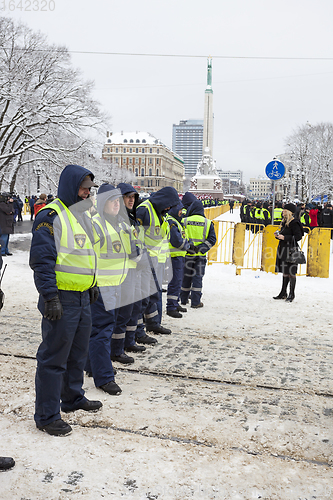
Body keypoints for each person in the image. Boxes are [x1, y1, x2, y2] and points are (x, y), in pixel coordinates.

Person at [29, 164, 102, 436]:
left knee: (77, 354)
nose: (87, 194)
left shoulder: (82, 215)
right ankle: (47, 415)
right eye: (84, 188)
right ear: (71, 187)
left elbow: (84, 254)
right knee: (53, 358)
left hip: (82, 298)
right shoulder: (51, 216)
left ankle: (72, 397)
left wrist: (92, 284)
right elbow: (42, 261)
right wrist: (49, 296)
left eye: (89, 190)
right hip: (61, 299)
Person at [136, 187, 180, 334]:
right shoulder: (145, 210)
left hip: (156, 262)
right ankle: (138, 331)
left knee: (153, 296)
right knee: (143, 298)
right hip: (143, 262)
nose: (168, 208)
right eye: (168, 204)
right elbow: (136, 237)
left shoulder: (162, 213)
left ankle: (153, 324)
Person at [180, 198, 216, 308]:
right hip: (200, 256)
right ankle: (195, 302)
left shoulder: (184, 221)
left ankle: (183, 300)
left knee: (186, 277)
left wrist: (188, 247)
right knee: (197, 278)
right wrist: (201, 248)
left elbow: (180, 237)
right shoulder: (208, 223)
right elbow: (212, 240)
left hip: (187, 254)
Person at [166, 201, 192, 318]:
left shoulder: (177, 221)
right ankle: (171, 307)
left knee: (178, 281)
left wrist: (189, 246)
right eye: (180, 209)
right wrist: (188, 246)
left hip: (179, 256)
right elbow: (176, 241)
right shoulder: (172, 221)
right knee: (175, 282)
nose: (182, 212)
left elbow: (183, 237)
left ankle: (175, 303)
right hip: (174, 256)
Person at [273, 203, 304, 303]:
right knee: (285, 271)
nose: (282, 211)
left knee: (291, 271)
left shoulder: (294, 222)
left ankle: (292, 294)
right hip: (283, 248)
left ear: (289, 211)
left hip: (291, 250)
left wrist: (285, 237)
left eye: (284, 210)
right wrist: (278, 235)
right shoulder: (284, 221)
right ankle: (283, 292)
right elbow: (285, 233)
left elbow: (298, 236)